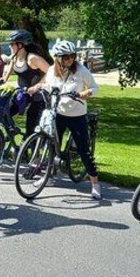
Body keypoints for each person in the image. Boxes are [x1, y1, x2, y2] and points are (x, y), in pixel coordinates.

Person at [28, 40, 101, 200]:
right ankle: (47, 176)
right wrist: (37, 87)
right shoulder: (52, 70)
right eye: (66, 57)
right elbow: (48, 84)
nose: (69, 60)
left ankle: (95, 183)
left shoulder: (81, 71)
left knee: (84, 151)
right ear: (58, 58)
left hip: (77, 115)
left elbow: (95, 87)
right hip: (58, 113)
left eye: (72, 57)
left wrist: (86, 93)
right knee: (52, 145)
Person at [3, 30, 49, 135]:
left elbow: (50, 71)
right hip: (23, 93)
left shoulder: (32, 58)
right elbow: (11, 65)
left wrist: (38, 86)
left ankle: (30, 147)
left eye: (11, 44)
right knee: (4, 113)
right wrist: (5, 78)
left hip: (37, 97)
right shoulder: (15, 57)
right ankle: (13, 131)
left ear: (20, 45)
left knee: (31, 128)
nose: (10, 47)